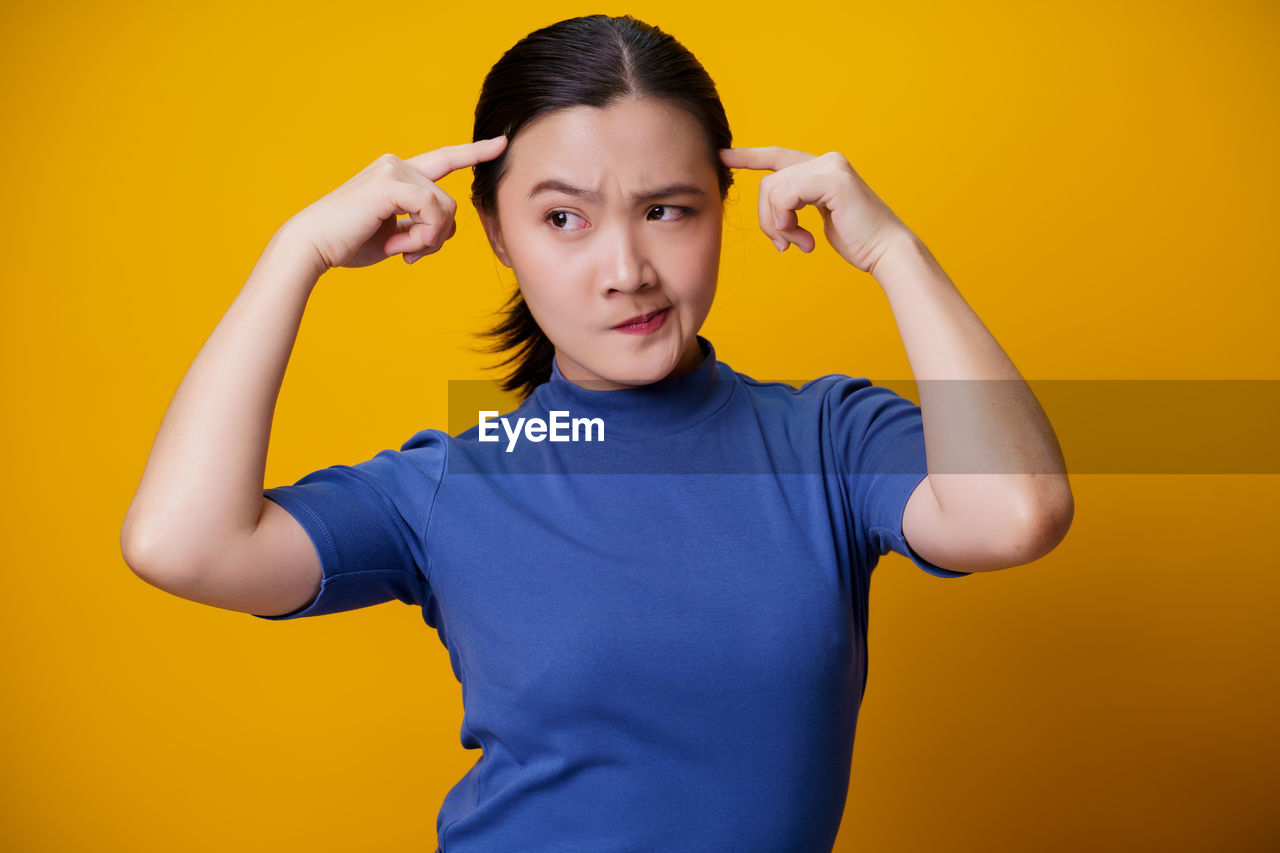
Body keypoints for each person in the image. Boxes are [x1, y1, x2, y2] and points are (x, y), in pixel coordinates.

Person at [120, 14, 1073, 852]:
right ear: (499, 234)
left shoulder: (828, 438)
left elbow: (1014, 513)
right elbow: (180, 543)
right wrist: (300, 251)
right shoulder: (456, 481)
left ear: (722, 212)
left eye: (666, 210)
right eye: (564, 218)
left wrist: (893, 251)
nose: (627, 268)